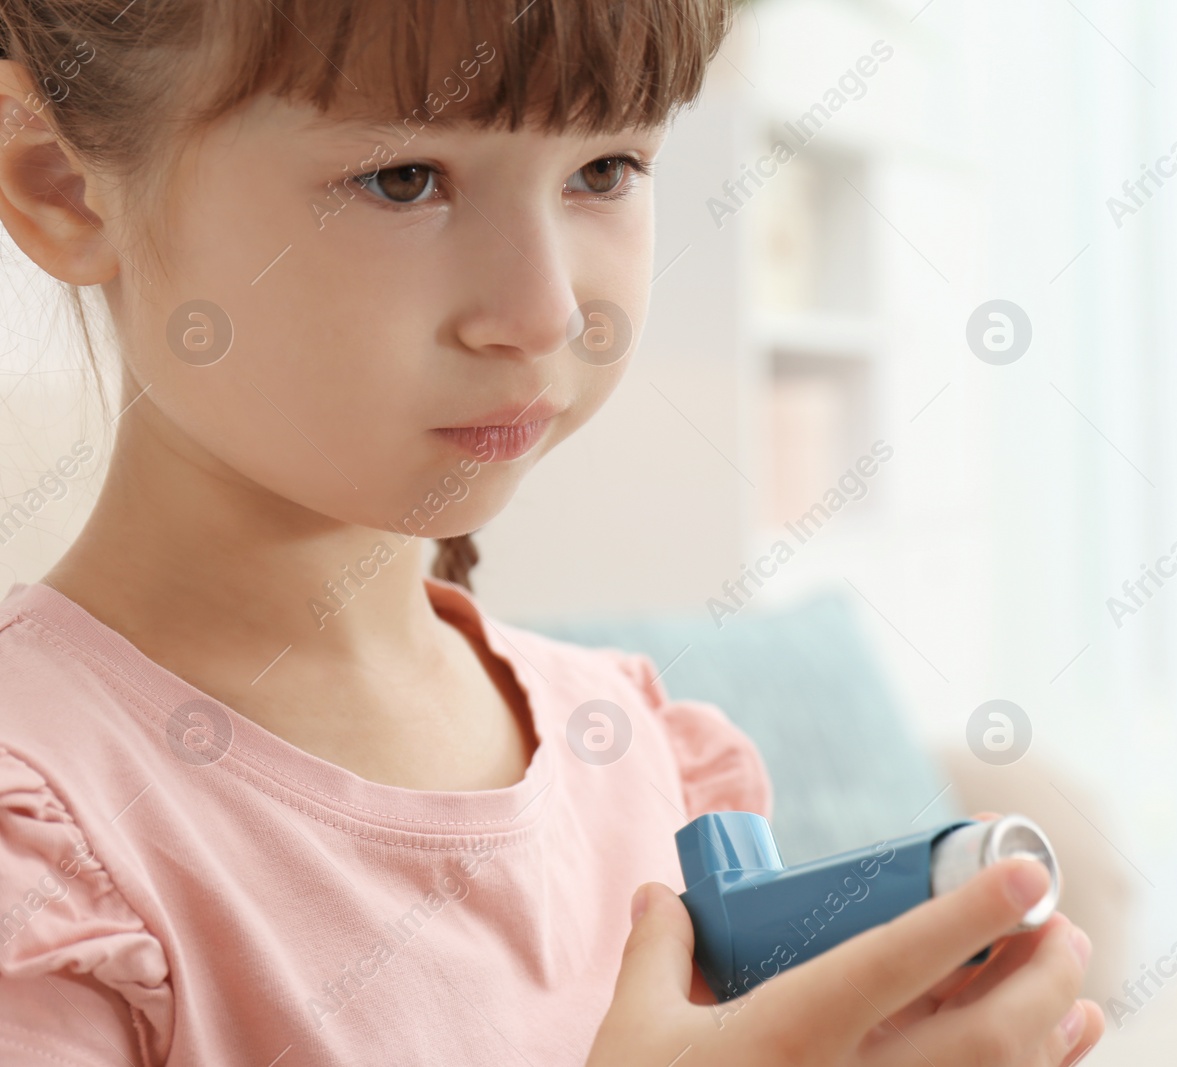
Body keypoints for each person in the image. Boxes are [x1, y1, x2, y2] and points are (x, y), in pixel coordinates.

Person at [0, 1, 1105, 1063]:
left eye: (604, 171)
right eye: (404, 179)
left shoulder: (643, 751)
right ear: (63, 189)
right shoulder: (39, 839)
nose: (546, 313)